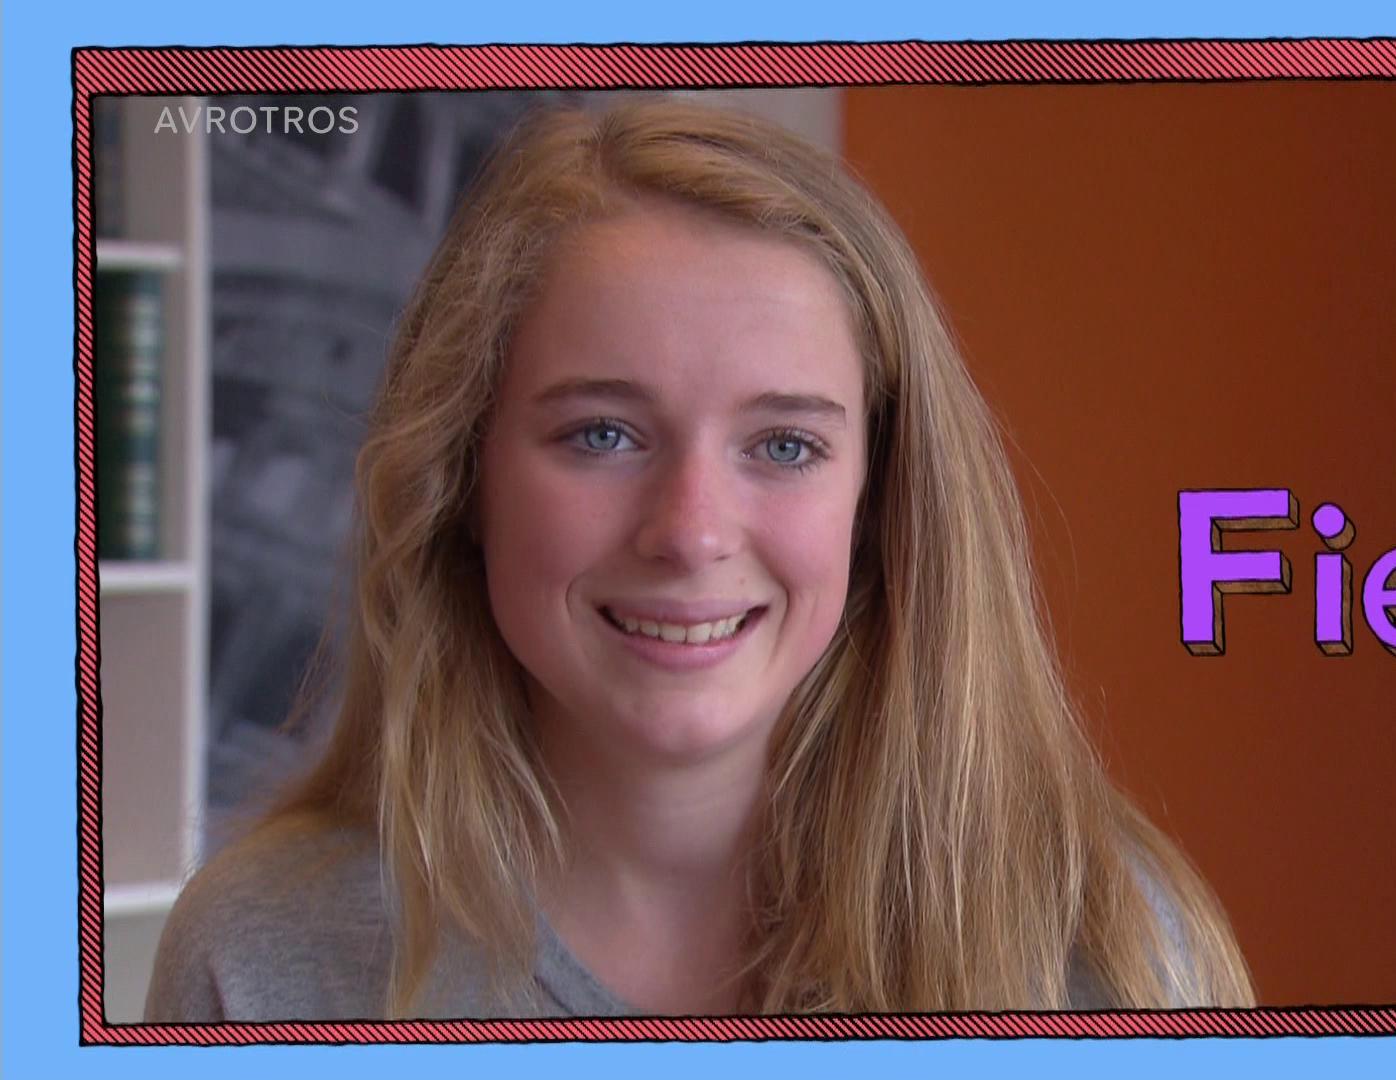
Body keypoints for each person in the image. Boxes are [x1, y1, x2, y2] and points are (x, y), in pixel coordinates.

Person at [145, 99, 1255, 1021]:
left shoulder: (1102, 948)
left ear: (878, 505)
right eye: (602, 434)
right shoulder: (262, 959)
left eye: (785, 446)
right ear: (465, 481)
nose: (690, 531)